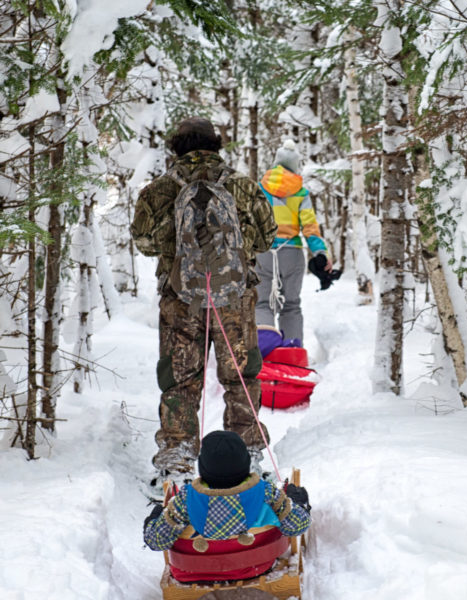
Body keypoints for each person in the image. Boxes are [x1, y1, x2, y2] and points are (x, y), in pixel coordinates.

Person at [131, 117, 277, 484]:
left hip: (180, 300)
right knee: (240, 377)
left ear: (175, 147)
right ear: (216, 144)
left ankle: (176, 463)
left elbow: (145, 244)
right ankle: (250, 454)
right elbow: (266, 238)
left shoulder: (160, 189)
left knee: (179, 381)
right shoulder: (242, 185)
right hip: (234, 299)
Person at [143, 431, 310, 581]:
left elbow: (156, 541)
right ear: (245, 463)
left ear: (202, 467)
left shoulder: (185, 500)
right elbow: (297, 525)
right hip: (256, 567)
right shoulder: (265, 492)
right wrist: (297, 500)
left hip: (193, 571)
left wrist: (155, 516)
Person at [255, 139, 332, 347]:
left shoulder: (259, 189)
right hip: (292, 253)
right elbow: (310, 227)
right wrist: (320, 253)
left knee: (262, 303)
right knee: (291, 305)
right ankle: (292, 351)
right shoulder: (301, 193)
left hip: (263, 253)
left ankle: (265, 352)